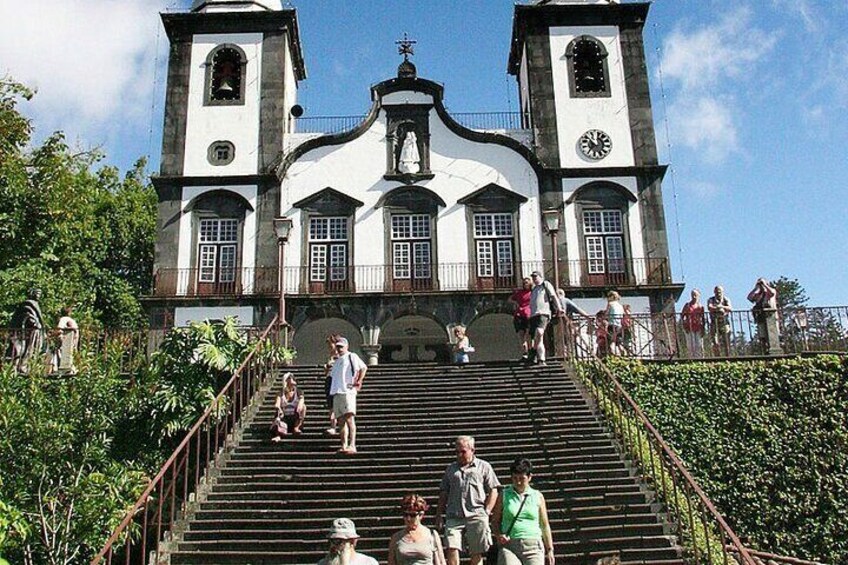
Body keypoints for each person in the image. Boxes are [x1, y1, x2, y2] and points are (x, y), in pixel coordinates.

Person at [435, 435, 501, 565]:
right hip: (454, 515)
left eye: (463, 451)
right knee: (451, 547)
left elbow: (493, 489)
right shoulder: (451, 469)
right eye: (457, 452)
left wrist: (487, 510)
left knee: (476, 553)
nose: (459, 455)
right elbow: (443, 492)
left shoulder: (484, 466)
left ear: (472, 450)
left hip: (476, 514)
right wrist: (439, 514)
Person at [491, 459, 555, 565]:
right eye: (515, 478)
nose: (518, 482)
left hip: (533, 545)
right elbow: (495, 521)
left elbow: (544, 525)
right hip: (510, 545)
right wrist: (498, 535)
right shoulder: (504, 494)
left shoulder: (537, 496)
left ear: (529, 477)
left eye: (522, 478)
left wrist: (550, 549)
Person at [328, 336, 367, 454]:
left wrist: (359, 381)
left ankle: (352, 444)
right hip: (336, 392)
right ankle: (344, 445)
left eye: (341, 347)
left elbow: (363, 367)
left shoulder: (351, 356)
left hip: (347, 391)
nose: (339, 349)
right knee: (340, 421)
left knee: (349, 418)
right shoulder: (336, 360)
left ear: (346, 346)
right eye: (338, 347)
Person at [388, 494, 447, 565]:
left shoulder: (432, 535)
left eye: (412, 515)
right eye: (405, 515)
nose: (408, 519)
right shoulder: (396, 538)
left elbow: (441, 561)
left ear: (421, 515)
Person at [527, 271, 561, 366]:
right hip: (534, 315)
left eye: (535, 277)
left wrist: (559, 308)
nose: (534, 279)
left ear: (540, 277)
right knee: (535, 337)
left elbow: (554, 296)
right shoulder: (533, 289)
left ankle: (539, 356)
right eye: (533, 277)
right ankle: (537, 355)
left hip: (543, 313)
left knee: (540, 332)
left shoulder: (546, 284)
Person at [8, 288, 45, 374]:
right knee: (25, 349)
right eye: (37, 293)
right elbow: (27, 315)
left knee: (34, 349)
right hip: (27, 332)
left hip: (34, 332)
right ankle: (22, 366)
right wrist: (34, 323)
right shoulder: (27, 304)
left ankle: (27, 366)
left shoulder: (35, 304)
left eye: (39, 294)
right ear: (32, 294)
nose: (38, 295)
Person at [271, 372, 306, 441]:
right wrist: (279, 408)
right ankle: (278, 435)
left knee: (304, 407)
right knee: (277, 413)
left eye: (293, 378)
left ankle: (297, 427)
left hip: (295, 417)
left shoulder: (298, 391)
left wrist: (300, 406)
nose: (292, 379)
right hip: (284, 417)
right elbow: (277, 403)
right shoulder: (281, 393)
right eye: (290, 378)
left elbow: (302, 400)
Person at [747, 278, 778, 353]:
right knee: (762, 335)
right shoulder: (758, 294)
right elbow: (749, 297)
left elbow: (772, 293)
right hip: (761, 317)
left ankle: (774, 350)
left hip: (771, 316)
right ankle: (764, 350)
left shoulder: (770, 291)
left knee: (773, 335)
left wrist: (765, 285)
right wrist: (755, 288)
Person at [509, 278, 533, 361]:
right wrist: (515, 303)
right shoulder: (519, 293)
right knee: (520, 335)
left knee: (529, 335)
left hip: (529, 315)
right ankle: (524, 353)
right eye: (524, 283)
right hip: (519, 315)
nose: (525, 284)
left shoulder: (532, 293)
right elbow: (510, 299)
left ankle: (531, 352)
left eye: (527, 283)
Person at [323, 333, 342, 436]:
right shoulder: (330, 356)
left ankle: (338, 426)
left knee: (338, 405)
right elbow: (326, 373)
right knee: (331, 406)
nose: (329, 347)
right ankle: (333, 426)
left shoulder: (341, 356)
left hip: (337, 381)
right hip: (329, 380)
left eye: (331, 344)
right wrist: (326, 368)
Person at [707, 286, 732, 357]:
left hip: (724, 322)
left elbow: (730, 308)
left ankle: (728, 356)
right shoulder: (711, 299)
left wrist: (722, 307)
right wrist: (718, 308)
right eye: (717, 292)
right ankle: (717, 357)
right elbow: (709, 307)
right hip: (714, 322)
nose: (718, 293)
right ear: (714, 292)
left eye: (720, 292)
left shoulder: (726, 299)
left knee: (726, 340)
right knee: (715, 341)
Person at [54, 305, 79, 374]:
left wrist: (53, 334)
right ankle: (72, 369)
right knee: (72, 355)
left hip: (65, 341)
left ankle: (62, 369)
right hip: (73, 341)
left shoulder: (63, 319)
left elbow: (59, 329)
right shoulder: (73, 321)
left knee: (61, 354)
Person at [680, 289, 705, 359]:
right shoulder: (687, 305)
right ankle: (691, 359)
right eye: (692, 295)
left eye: (695, 295)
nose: (694, 296)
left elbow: (703, 318)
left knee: (699, 345)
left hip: (698, 327)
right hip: (689, 327)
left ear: (699, 296)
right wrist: (684, 326)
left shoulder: (700, 306)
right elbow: (682, 316)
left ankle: (700, 359)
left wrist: (703, 328)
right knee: (691, 345)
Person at [605, 291, 625, 356]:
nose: (607, 298)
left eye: (608, 297)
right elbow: (622, 315)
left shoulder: (610, 304)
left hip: (611, 324)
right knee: (618, 342)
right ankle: (623, 353)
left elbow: (607, 314)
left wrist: (604, 318)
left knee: (610, 341)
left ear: (612, 297)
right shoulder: (620, 306)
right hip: (619, 325)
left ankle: (613, 355)